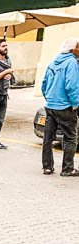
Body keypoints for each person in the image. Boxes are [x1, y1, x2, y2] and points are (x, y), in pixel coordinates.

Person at [41, 37, 79, 177]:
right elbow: (72, 86)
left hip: (50, 105)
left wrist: (50, 98)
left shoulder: (52, 63)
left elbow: (44, 84)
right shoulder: (71, 63)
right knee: (70, 137)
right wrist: (75, 103)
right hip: (65, 107)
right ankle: (68, 168)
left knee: (48, 138)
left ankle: (47, 167)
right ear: (72, 49)